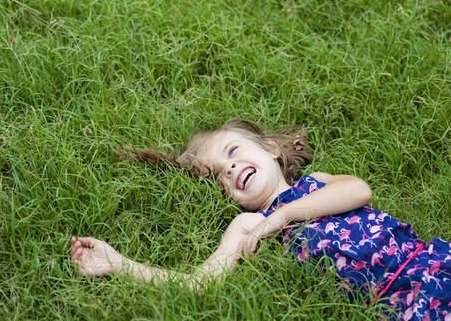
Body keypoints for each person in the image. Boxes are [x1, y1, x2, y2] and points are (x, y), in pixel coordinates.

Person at [70, 119, 450, 321]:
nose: (230, 167)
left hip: (429, 262)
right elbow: (200, 284)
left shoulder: (315, 183)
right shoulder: (248, 223)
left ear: (269, 149)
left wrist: (283, 214)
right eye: (217, 173)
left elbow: (358, 191)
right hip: (399, 305)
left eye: (232, 151)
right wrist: (119, 264)